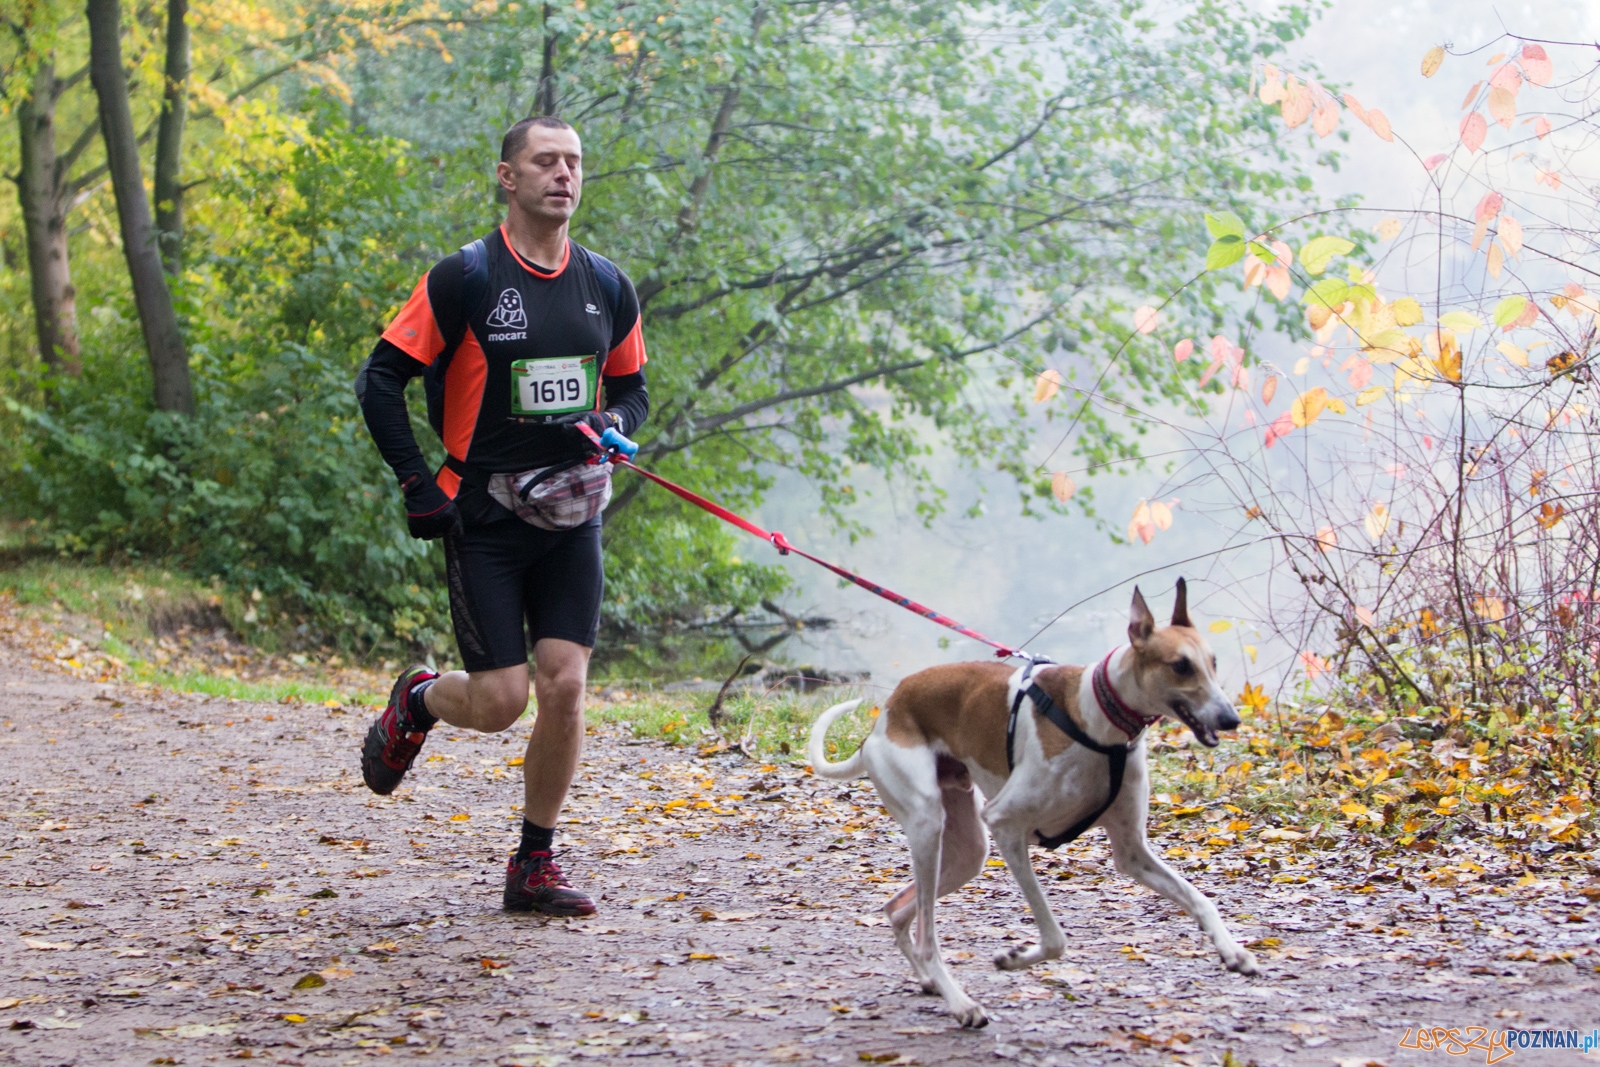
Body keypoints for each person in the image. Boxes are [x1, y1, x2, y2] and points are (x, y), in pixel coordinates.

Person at [353, 116, 649, 917]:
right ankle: (418, 699)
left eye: (574, 161)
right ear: (508, 177)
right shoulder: (467, 277)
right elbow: (380, 380)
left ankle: (534, 860)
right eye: (545, 161)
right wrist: (417, 482)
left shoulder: (607, 284)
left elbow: (632, 389)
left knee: (566, 684)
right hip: (483, 511)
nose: (564, 174)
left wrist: (613, 422)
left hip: (574, 510)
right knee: (500, 701)